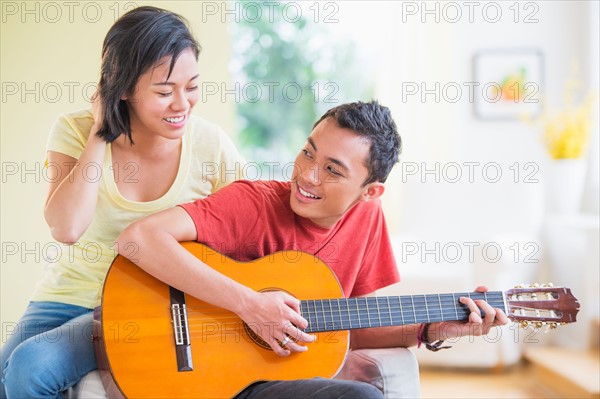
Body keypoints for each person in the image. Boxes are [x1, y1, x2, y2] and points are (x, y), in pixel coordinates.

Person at [116, 100, 509, 398]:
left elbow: (345, 330)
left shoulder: (368, 219)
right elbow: (138, 239)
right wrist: (249, 304)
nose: (306, 174)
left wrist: (435, 328)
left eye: (333, 170)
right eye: (308, 152)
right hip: (209, 377)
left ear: (370, 192)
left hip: (275, 377)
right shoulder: (253, 204)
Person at [0, 6, 245, 398]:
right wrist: (101, 132)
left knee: (30, 369)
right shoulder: (74, 130)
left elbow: (251, 231)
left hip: (147, 303)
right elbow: (66, 227)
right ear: (124, 88)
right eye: (165, 92)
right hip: (68, 293)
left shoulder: (210, 145)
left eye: (192, 86)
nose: (183, 104)